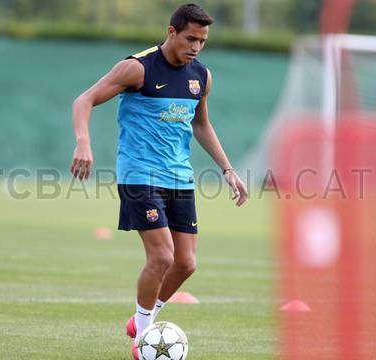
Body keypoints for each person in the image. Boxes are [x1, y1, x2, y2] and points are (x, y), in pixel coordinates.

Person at [70, 4, 248, 359]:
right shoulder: (138, 68)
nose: (196, 46)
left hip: (180, 178)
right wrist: (83, 142)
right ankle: (144, 338)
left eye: (203, 40)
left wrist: (228, 169)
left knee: (186, 263)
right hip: (139, 175)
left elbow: (201, 124)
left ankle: (143, 320)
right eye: (190, 38)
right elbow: (84, 100)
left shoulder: (201, 76)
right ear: (171, 32)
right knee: (162, 256)